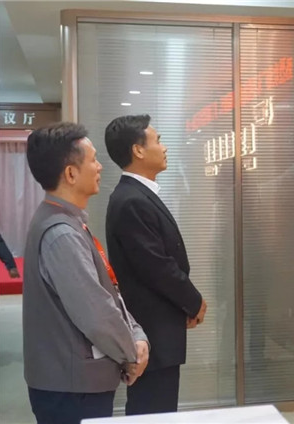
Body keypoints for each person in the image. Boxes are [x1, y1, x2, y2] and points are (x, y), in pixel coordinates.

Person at [23, 122, 149, 424]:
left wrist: (135, 336)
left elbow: (107, 292)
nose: (100, 166)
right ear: (70, 173)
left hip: (72, 384)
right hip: (71, 390)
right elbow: (96, 312)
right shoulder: (62, 233)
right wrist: (131, 352)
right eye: (93, 159)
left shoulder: (67, 221)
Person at [104, 114, 207, 415]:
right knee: (152, 410)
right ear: (138, 150)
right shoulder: (131, 200)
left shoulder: (138, 195)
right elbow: (156, 266)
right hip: (152, 330)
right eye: (158, 140)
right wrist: (194, 301)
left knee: (158, 408)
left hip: (160, 326)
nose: (164, 147)